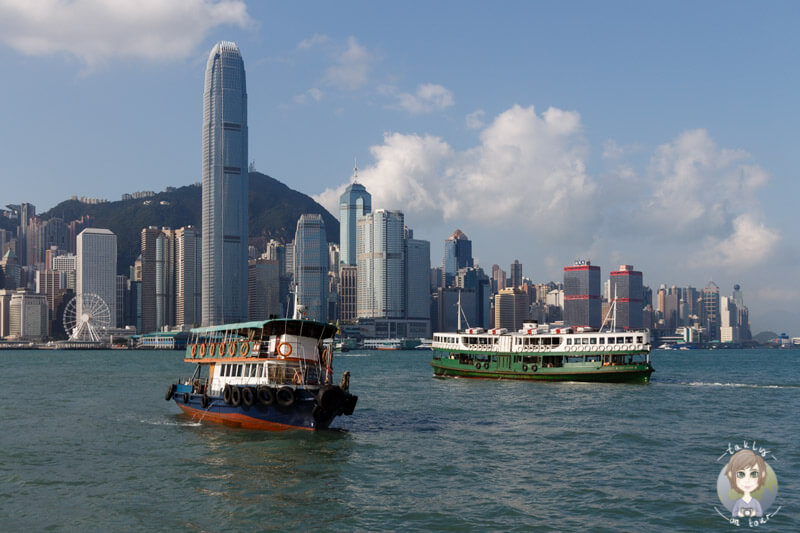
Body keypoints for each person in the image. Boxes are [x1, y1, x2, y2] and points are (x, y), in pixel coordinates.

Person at [724, 449, 767, 518]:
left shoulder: (755, 502)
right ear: (731, 475)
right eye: (741, 474)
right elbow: (734, 514)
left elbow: (760, 513)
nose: (747, 480)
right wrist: (739, 513)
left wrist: (754, 513)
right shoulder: (739, 503)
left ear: (762, 475)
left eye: (754, 474)